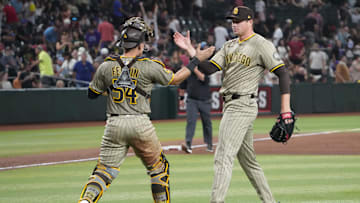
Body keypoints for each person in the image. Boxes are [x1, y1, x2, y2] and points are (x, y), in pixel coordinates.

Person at [78, 17, 215, 203]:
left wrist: (114, 89)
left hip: (114, 123)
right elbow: (175, 79)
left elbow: (92, 94)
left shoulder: (106, 66)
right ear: (141, 46)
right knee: (158, 168)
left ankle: (85, 201)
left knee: (103, 171)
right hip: (140, 123)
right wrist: (196, 60)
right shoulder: (150, 65)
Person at [173, 6, 293, 203]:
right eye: (232, 21)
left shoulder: (261, 44)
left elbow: (283, 73)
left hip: (243, 104)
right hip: (230, 105)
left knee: (223, 156)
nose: (234, 24)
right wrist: (190, 49)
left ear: (250, 21)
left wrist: (285, 109)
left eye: (238, 21)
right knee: (248, 162)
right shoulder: (229, 45)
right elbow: (209, 68)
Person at [179, 65, 213, 154]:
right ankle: (188, 144)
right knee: (191, 121)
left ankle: (209, 143)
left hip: (205, 100)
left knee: (207, 123)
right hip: (192, 100)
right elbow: (182, 86)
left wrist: (195, 70)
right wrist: (181, 98)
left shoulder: (205, 68)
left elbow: (203, 79)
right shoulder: (188, 72)